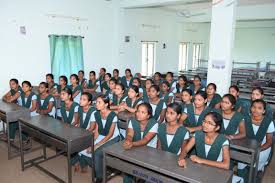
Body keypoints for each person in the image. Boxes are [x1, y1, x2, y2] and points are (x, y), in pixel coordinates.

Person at [123, 103, 158, 183]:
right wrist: (128, 141)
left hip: (150, 151)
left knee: (147, 173)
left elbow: (145, 140)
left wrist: (132, 144)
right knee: (127, 167)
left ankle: (142, 179)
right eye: (138, 111)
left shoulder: (154, 124)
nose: (139, 114)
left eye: (143, 112)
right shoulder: (132, 120)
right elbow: (129, 134)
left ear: (148, 115)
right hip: (135, 148)